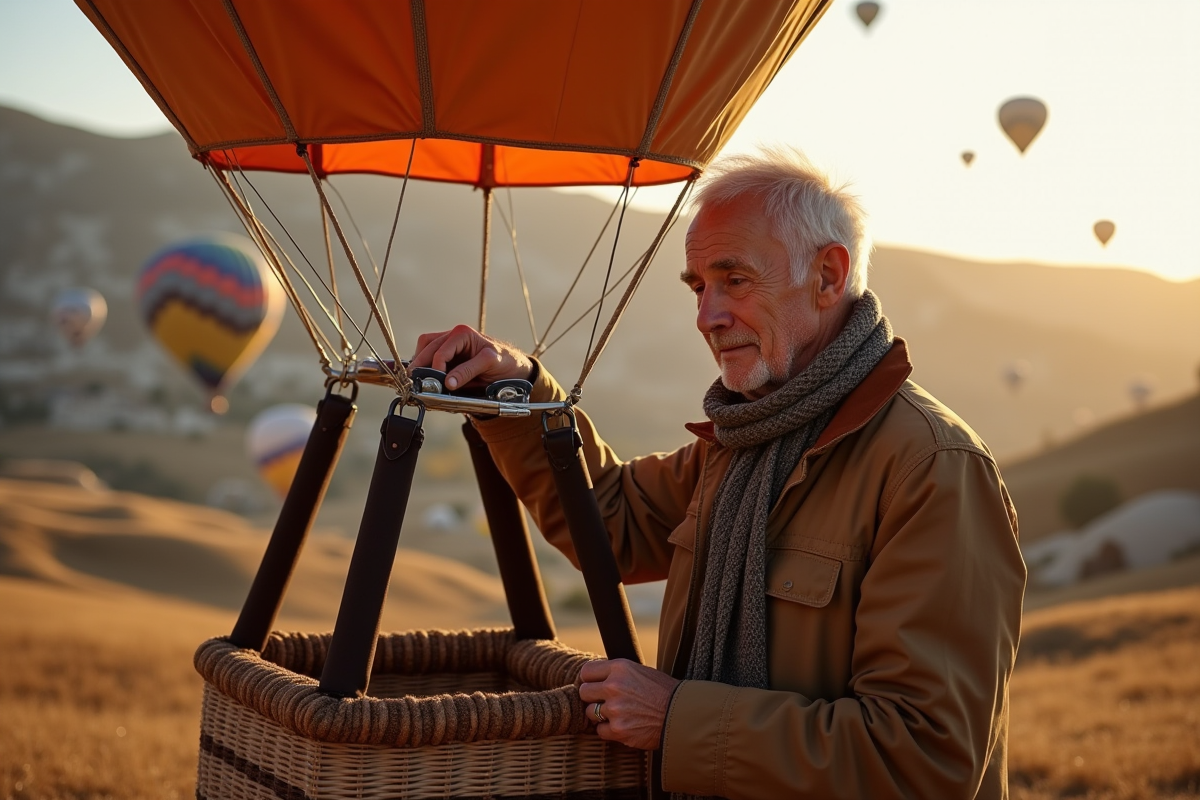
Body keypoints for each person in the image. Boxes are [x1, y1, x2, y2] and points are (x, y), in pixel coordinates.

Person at [409, 147, 1026, 800]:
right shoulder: (743, 442)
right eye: (700, 286)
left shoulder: (931, 468)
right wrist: (520, 390)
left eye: (734, 280)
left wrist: (679, 719)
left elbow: (924, 758)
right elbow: (612, 522)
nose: (707, 316)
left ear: (827, 276)